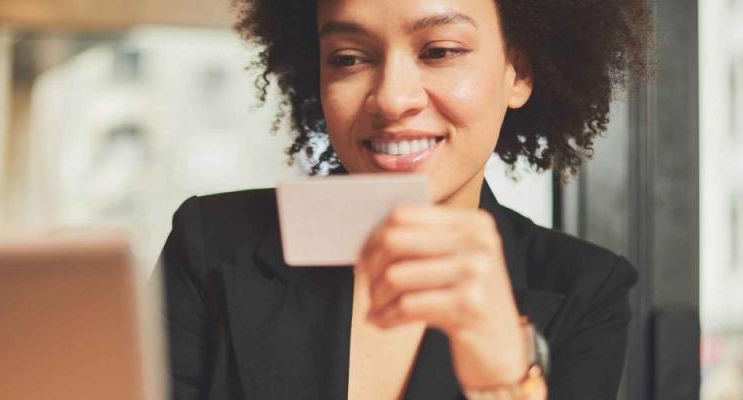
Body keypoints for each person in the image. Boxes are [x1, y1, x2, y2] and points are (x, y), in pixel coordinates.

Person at [152, 0, 652, 398]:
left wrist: (504, 383)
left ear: (516, 72)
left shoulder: (585, 292)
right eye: (348, 59)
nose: (392, 98)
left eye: (439, 51)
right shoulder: (212, 246)